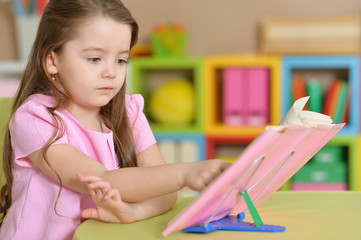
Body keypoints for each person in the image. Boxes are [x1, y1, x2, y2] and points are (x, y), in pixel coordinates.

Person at [0, 0, 230, 239]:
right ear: (52, 61)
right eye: (94, 59)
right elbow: (104, 179)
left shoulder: (128, 113)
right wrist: (185, 174)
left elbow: (165, 192)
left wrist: (135, 211)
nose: (111, 71)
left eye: (121, 60)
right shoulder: (35, 119)